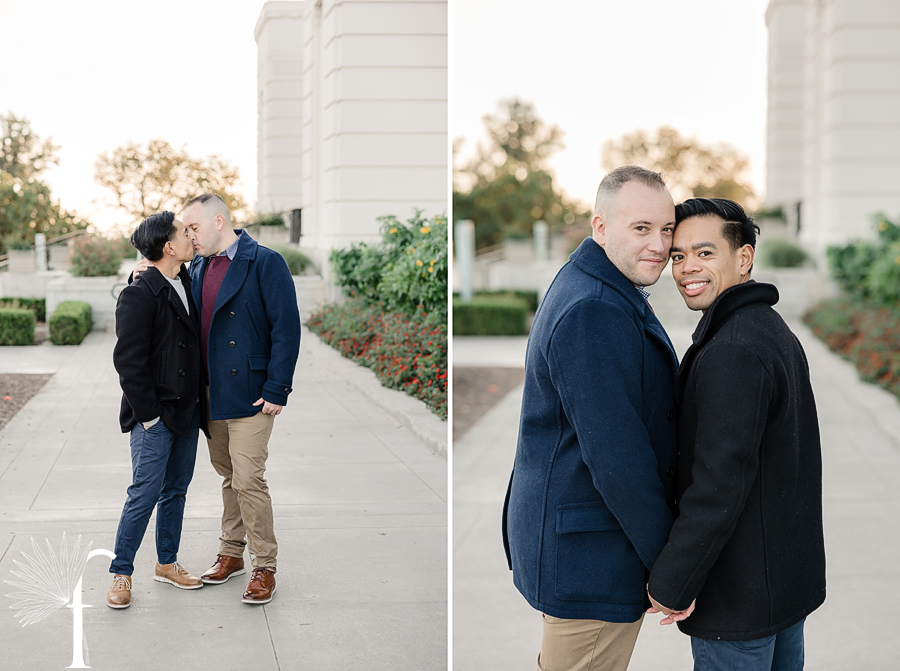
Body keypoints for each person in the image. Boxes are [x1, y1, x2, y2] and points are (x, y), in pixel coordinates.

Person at [502, 165, 681, 671]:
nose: (659, 244)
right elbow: (617, 458)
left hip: (582, 544)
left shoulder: (593, 283)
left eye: (666, 229)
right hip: (592, 558)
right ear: (600, 227)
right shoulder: (593, 308)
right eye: (641, 228)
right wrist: (670, 568)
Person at [646, 198, 826, 670]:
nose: (687, 269)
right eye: (679, 256)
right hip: (780, 588)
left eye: (705, 253)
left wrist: (671, 582)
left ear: (743, 257)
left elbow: (718, 485)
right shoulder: (766, 328)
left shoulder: (733, 349)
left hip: (741, 597)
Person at [183, 193, 300, 604]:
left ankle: (264, 565)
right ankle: (231, 554)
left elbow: (286, 327)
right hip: (211, 393)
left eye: (193, 227)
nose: (189, 236)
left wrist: (276, 388)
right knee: (229, 475)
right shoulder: (196, 266)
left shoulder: (264, 261)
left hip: (251, 394)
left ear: (218, 221)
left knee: (249, 478)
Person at [108, 211, 208, 609]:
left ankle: (167, 563)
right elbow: (128, 364)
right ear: (169, 247)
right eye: (185, 233)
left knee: (176, 491)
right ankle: (121, 572)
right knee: (144, 494)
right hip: (155, 417)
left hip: (189, 410)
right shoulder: (138, 292)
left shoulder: (185, 277)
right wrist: (149, 418)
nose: (191, 238)